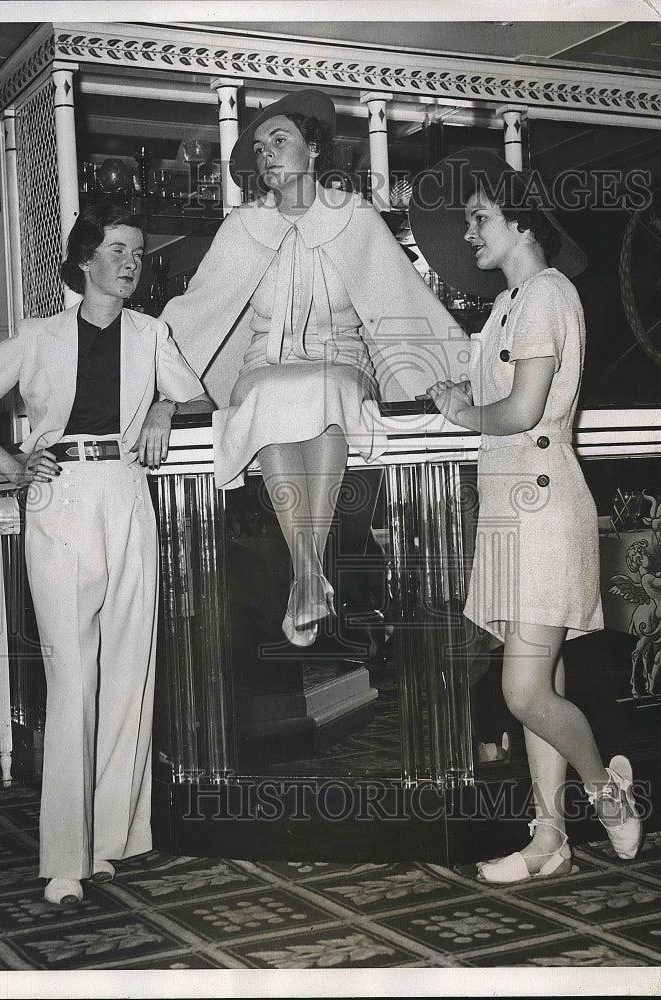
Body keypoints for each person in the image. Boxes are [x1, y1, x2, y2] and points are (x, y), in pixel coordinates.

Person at [0, 202, 213, 905]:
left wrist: (160, 406)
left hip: (126, 493)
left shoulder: (154, 334)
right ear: (84, 259)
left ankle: (111, 842)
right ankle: (65, 856)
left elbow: (198, 398)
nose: (132, 263)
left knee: (128, 670)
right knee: (73, 678)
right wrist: (9, 468)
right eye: (119, 250)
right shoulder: (37, 336)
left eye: (139, 253)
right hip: (58, 497)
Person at [409, 148, 642, 881]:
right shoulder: (507, 307)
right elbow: (496, 386)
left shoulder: (543, 292)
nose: (469, 233)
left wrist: (458, 412)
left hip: (542, 509)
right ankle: (549, 838)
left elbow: (519, 409)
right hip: (508, 509)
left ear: (519, 221)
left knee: (522, 691)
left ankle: (608, 795)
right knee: (542, 686)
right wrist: (459, 388)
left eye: (479, 218)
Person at [164, 88, 467, 646]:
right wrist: (158, 387)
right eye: (258, 149)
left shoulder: (355, 218)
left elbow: (402, 300)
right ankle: (308, 570)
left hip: (342, 362)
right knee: (261, 395)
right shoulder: (242, 227)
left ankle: (306, 569)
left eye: (279, 141)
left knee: (325, 388)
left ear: (314, 148)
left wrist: (451, 372)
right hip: (263, 366)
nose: (267, 156)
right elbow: (195, 312)